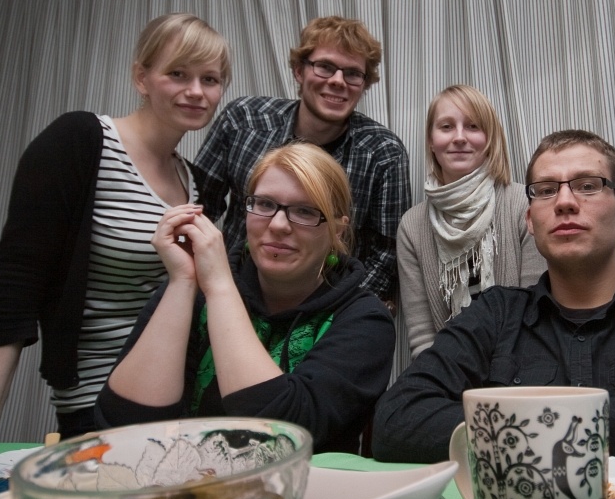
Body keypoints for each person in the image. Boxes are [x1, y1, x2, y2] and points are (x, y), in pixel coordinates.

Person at [372, 129, 615, 478]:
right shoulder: (493, 316)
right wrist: (581, 426)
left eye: (587, 185)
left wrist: (528, 427)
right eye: (546, 190)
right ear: (530, 220)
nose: (564, 201)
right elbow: (397, 421)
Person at [0, 13, 231, 448]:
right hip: (98, 404)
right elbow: (16, 283)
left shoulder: (197, 184)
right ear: (141, 77)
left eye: (210, 79)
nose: (196, 91)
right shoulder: (81, 142)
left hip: (181, 408)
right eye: (178, 74)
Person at [95, 143, 396, 454]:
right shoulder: (195, 290)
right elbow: (123, 427)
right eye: (264, 204)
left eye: (305, 211)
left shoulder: (364, 319)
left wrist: (220, 286)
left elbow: (280, 437)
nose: (278, 225)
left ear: (337, 229)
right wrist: (183, 281)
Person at [192, 15, 411, 313]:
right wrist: (209, 289)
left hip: (326, 314)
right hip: (230, 298)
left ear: (364, 84)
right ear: (299, 70)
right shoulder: (242, 120)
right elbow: (199, 209)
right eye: (325, 67)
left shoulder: (383, 153)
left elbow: (386, 254)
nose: (338, 81)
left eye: (352, 73)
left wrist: (337, 318)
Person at [399, 85, 545, 359]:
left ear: (490, 138)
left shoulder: (522, 205)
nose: (459, 137)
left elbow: (536, 316)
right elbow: (422, 339)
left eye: (473, 126)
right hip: (447, 371)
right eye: (446, 127)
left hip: (521, 366)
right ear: (431, 140)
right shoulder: (412, 225)